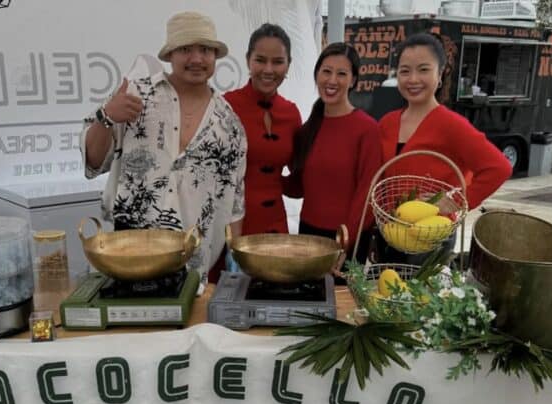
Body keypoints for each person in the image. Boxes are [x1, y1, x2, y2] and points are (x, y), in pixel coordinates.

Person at [80, 11, 247, 283]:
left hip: (191, 265)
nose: (196, 59)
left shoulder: (229, 124)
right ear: (170, 55)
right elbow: (93, 160)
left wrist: (236, 261)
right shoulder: (135, 96)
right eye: (185, 49)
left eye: (205, 50)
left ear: (215, 56)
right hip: (128, 255)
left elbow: (235, 203)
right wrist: (106, 115)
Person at [377, 33, 512, 262]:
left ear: (440, 75)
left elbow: (498, 168)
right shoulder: (388, 122)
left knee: (421, 297)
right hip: (391, 232)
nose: (413, 79)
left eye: (423, 69)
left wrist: (457, 200)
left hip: (430, 237)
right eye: (405, 70)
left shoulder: (451, 125)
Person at [287, 42, 383, 265]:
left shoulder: (367, 129)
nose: (332, 81)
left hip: (347, 239)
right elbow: (301, 186)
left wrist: (344, 245)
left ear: (353, 80)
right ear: (317, 74)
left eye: (341, 74)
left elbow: (367, 194)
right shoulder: (308, 128)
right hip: (308, 235)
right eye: (326, 71)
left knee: (341, 300)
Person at [224, 23, 301, 235]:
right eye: (260, 60)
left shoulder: (291, 113)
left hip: (275, 225)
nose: (268, 70)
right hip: (233, 228)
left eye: (277, 62)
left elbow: (300, 174)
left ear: (288, 64)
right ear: (248, 60)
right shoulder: (225, 106)